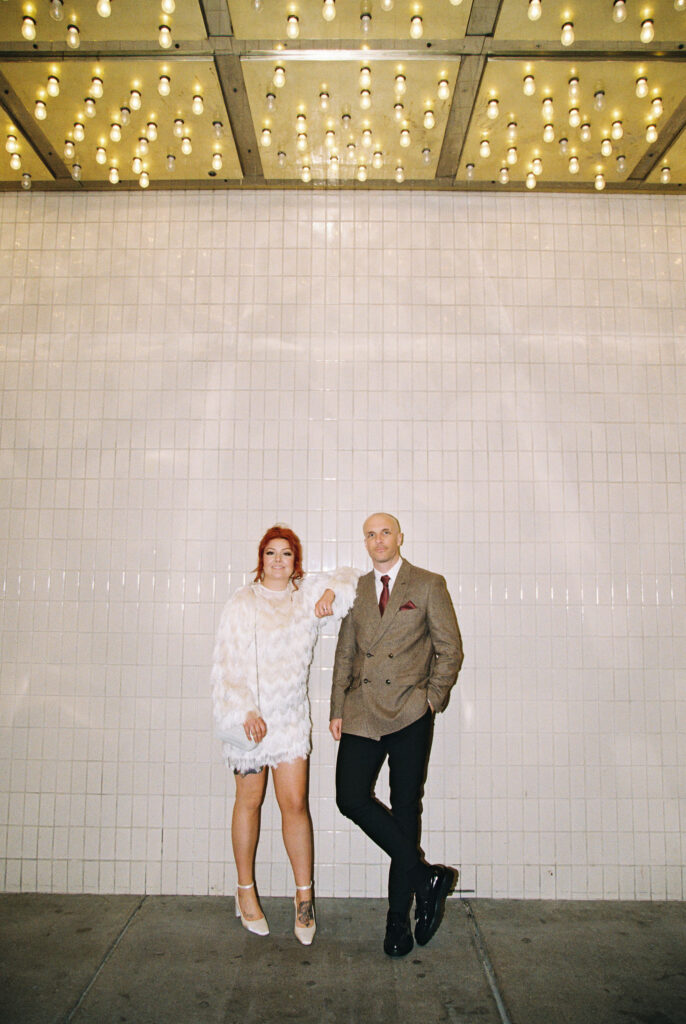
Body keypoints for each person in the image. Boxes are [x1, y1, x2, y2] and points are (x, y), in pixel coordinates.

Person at [211, 525, 360, 945]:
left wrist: (331, 592)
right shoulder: (243, 602)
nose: (279, 561)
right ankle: (245, 893)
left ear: (296, 562)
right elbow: (227, 664)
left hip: (290, 720)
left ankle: (304, 898)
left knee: (294, 804)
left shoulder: (304, 598)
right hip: (250, 722)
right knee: (250, 801)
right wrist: (245, 710)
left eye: (287, 554)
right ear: (261, 559)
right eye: (271, 553)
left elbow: (351, 577)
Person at [330, 513, 463, 957]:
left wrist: (432, 699)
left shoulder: (427, 584)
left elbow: (449, 648)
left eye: (385, 531)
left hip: (409, 711)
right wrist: (336, 710)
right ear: (365, 543)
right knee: (350, 798)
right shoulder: (356, 591)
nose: (378, 539)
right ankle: (426, 877)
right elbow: (344, 650)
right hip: (363, 711)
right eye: (370, 533)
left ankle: (397, 921)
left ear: (399, 537)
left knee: (405, 808)